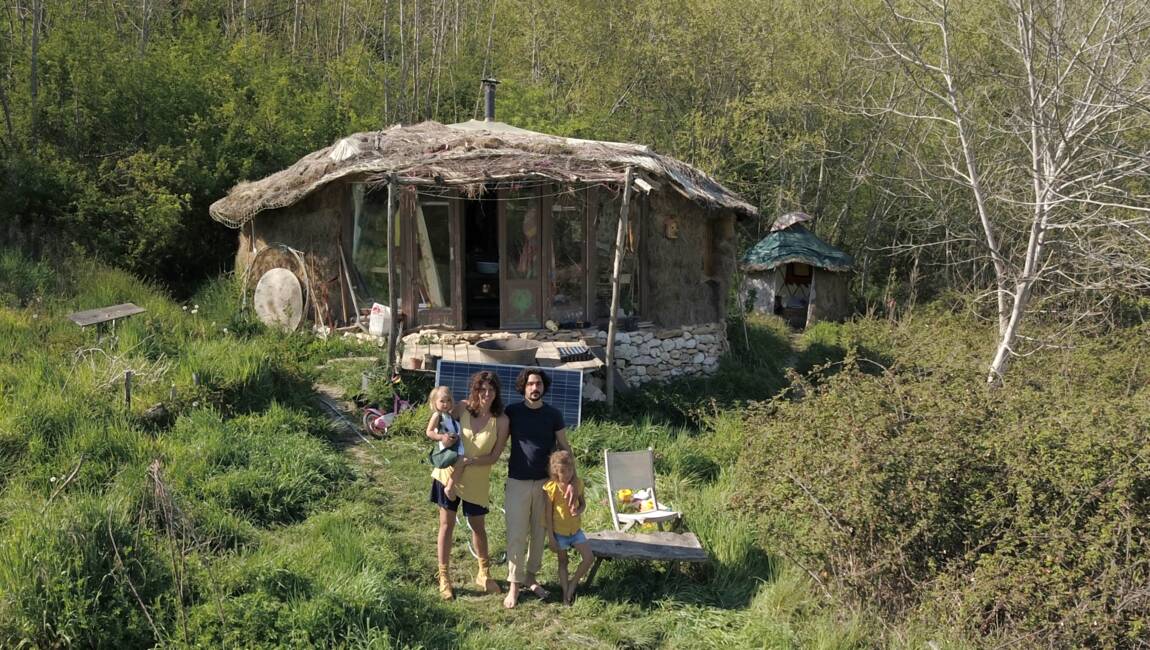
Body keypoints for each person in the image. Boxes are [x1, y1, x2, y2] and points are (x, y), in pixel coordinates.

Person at [429, 371, 508, 600]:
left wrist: (470, 462)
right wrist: (439, 438)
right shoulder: (462, 407)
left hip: (477, 480)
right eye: (481, 389)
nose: (486, 394)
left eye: (490, 390)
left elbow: (494, 456)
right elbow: (440, 421)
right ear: (475, 390)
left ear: (496, 393)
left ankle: (484, 573)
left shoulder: (501, 420)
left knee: (478, 527)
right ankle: (444, 577)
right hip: (448, 475)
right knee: (446, 525)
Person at [502, 367, 576, 608]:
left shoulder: (553, 414)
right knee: (516, 534)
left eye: (539, 384)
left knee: (539, 533)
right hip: (517, 481)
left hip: (547, 484)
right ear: (523, 387)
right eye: (530, 384)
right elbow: (495, 433)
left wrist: (572, 481)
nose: (535, 388)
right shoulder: (512, 412)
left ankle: (531, 577)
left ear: (544, 388)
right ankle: (514, 583)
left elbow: (564, 447)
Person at [544, 449, 594, 606]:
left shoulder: (578, 484)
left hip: (576, 531)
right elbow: (547, 515)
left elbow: (583, 503)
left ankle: (573, 583)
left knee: (588, 558)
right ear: (556, 472)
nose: (567, 474)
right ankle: (566, 594)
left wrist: (578, 510)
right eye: (563, 472)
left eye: (570, 470)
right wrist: (551, 537)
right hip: (559, 533)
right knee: (563, 562)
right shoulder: (551, 488)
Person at [425, 385, 464, 499]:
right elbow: (429, 431)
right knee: (461, 463)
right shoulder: (437, 415)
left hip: (454, 444)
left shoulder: (450, 416)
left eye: (448, 401)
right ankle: (449, 486)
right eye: (442, 401)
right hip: (446, 447)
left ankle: (452, 485)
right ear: (434, 402)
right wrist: (441, 437)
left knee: (462, 463)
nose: (445, 404)